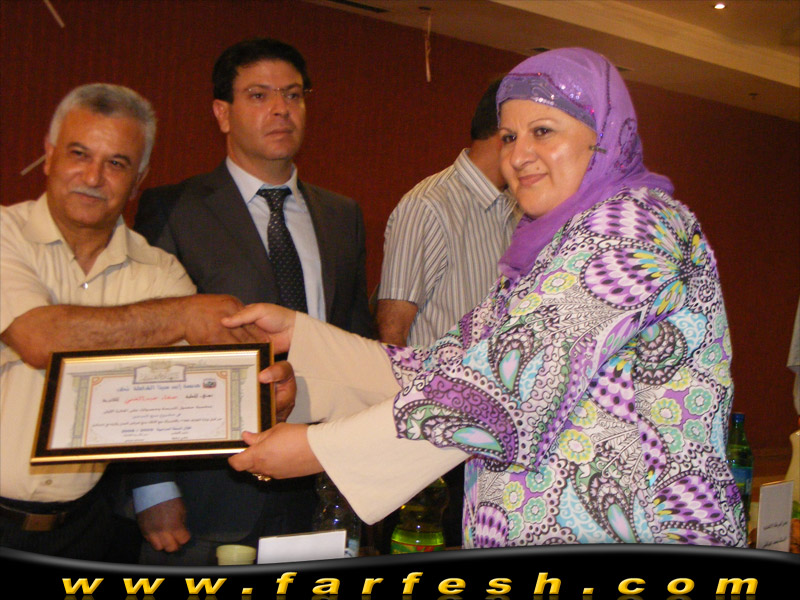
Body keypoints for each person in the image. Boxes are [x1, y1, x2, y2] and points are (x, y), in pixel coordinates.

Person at [223, 48, 748, 548]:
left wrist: (319, 449)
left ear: (604, 137)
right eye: (509, 136)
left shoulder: (634, 227)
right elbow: (440, 367)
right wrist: (301, 335)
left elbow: (508, 386)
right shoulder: (549, 250)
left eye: (543, 131)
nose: (518, 156)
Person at [131, 38, 373, 564]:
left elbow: (358, 341)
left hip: (322, 481)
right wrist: (151, 486)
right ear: (222, 113)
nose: (281, 109)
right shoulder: (174, 209)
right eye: (259, 96)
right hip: (209, 493)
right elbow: (147, 351)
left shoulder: (342, 216)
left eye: (293, 95)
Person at [0, 83, 265, 560]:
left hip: (84, 529)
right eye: (79, 154)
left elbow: (204, 388)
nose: (93, 177)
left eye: (116, 163)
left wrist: (269, 394)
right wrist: (181, 315)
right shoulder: (4, 234)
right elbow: (40, 339)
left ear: (139, 178)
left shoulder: (159, 272)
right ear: (49, 155)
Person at [375, 78, 516, 548]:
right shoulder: (429, 206)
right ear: (506, 132)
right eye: (535, 132)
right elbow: (391, 338)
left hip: (493, 441)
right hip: (434, 445)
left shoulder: (518, 211)